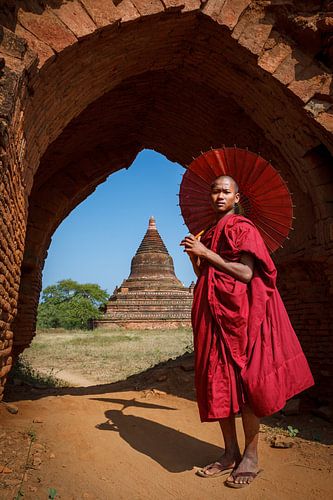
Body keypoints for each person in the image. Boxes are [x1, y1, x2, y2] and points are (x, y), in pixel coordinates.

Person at [180, 175, 314, 488]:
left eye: (226, 191)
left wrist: (207, 252)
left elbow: (245, 272)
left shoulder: (243, 228)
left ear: (237, 197)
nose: (219, 196)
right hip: (212, 315)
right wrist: (195, 257)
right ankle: (229, 453)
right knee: (219, 383)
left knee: (245, 383)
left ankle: (251, 456)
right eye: (214, 191)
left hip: (239, 316)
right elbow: (207, 275)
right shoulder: (210, 233)